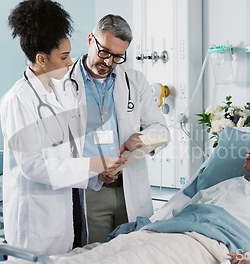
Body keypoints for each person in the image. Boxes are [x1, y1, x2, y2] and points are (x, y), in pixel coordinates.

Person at [49, 130, 250, 264]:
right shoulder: (228, 184)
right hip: (164, 232)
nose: (248, 150)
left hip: (206, 246)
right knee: (87, 256)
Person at [0, 0, 127, 255]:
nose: (71, 63)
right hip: (33, 221)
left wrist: (96, 174)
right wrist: (92, 165)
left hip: (64, 215)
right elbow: (32, 166)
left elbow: (68, 154)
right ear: (41, 59)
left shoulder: (64, 91)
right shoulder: (18, 100)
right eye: (64, 57)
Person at [62, 14, 170, 243]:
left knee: (134, 252)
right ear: (91, 39)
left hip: (130, 186)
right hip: (91, 189)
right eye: (105, 53)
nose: (109, 62)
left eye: (118, 57)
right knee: (94, 254)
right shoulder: (64, 82)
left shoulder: (135, 80)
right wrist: (95, 170)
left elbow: (161, 128)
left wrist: (142, 138)